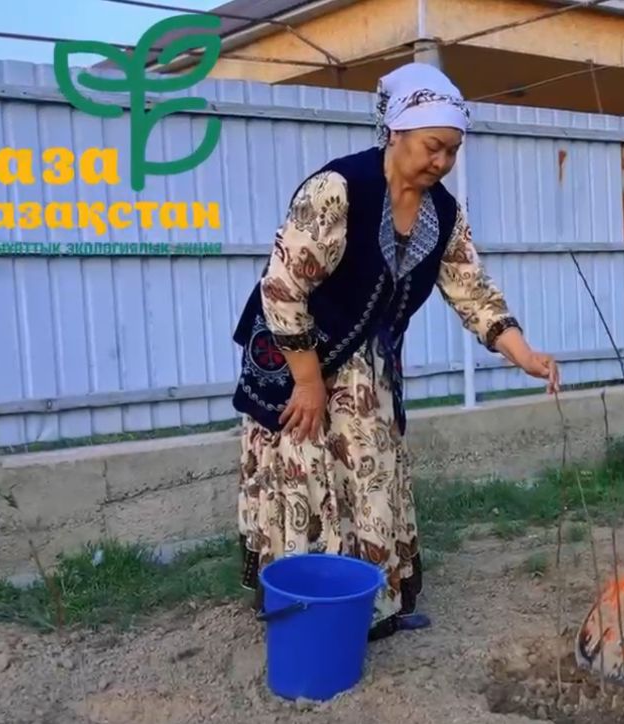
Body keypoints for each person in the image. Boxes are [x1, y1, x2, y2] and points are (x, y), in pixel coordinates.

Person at [231, 62, 558, 641]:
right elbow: (282, 287)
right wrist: (307, 381)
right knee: (306, 475)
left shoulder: (444, 214)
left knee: (371, 475)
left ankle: (373, 606)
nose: (441, 162)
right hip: (297, 351)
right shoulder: (338, 189)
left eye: (452, 151)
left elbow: (471, 289)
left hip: (368, 369)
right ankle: (306, 606)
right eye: (433, 146)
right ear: (397, 132)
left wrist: (522, 352)